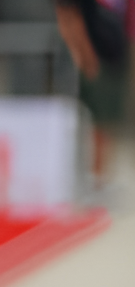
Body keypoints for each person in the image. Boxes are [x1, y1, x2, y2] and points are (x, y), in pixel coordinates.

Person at [55, 0, 131, 182]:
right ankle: (95, 179)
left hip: (114, 54)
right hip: (94, 60)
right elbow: (67, 17)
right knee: (97, 120)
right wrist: (85, 57)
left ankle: (101, 177)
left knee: (108, 119)